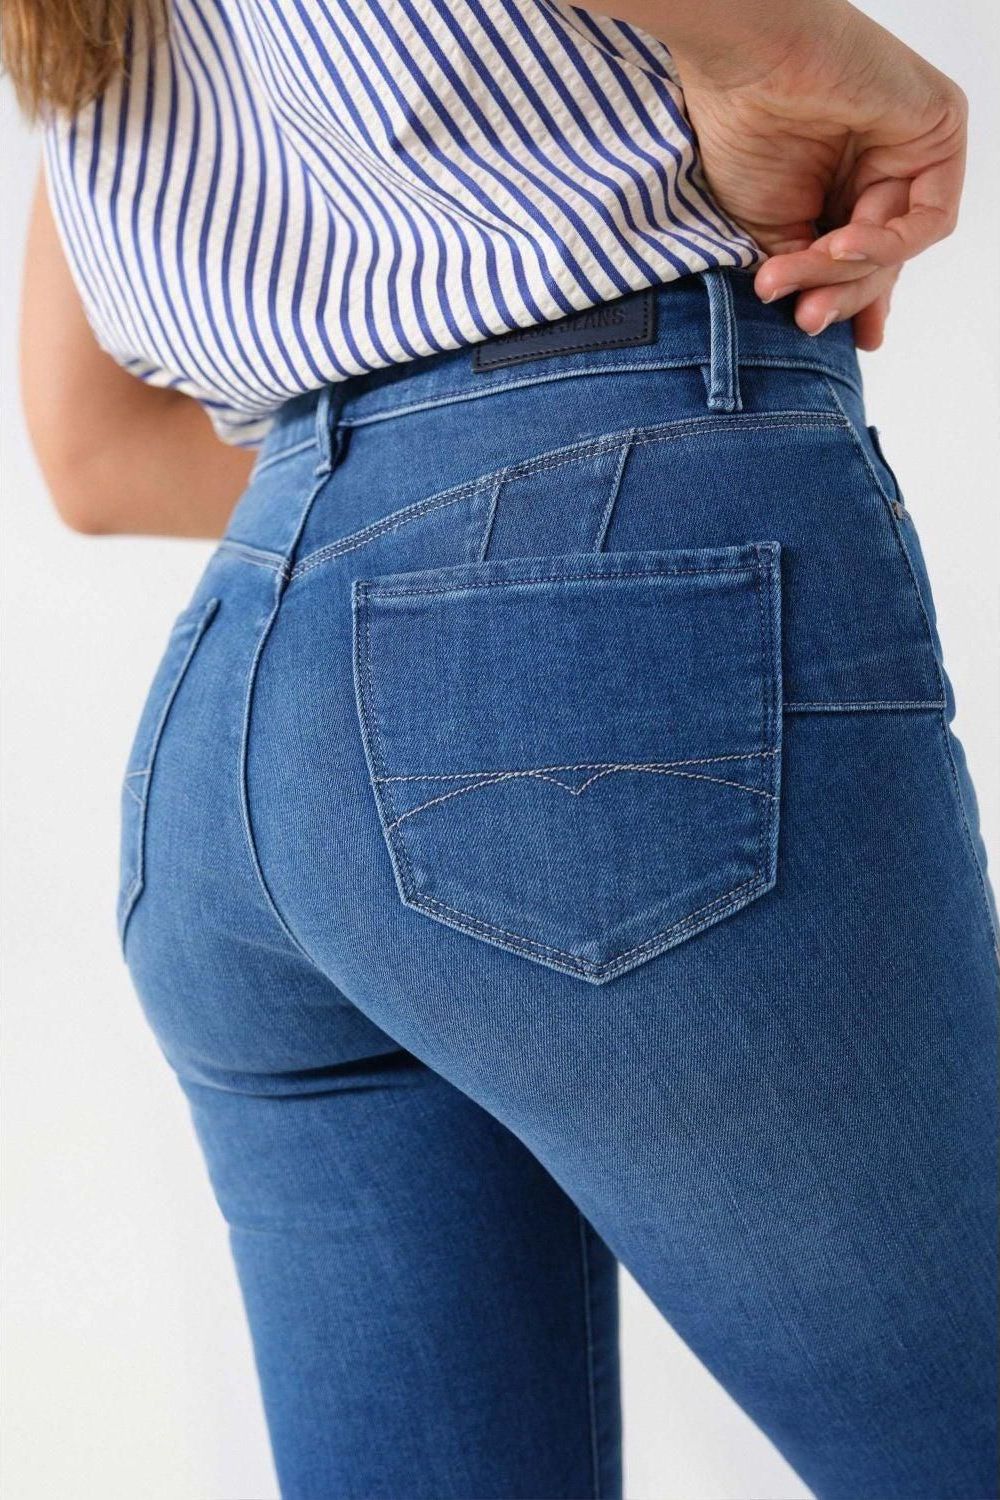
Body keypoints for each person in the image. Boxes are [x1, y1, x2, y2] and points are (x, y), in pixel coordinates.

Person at [11, 0, 997, 1495]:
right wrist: (778, 46)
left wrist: (410, 499)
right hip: (593, 643)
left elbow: (89, 453)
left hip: (238, 719)